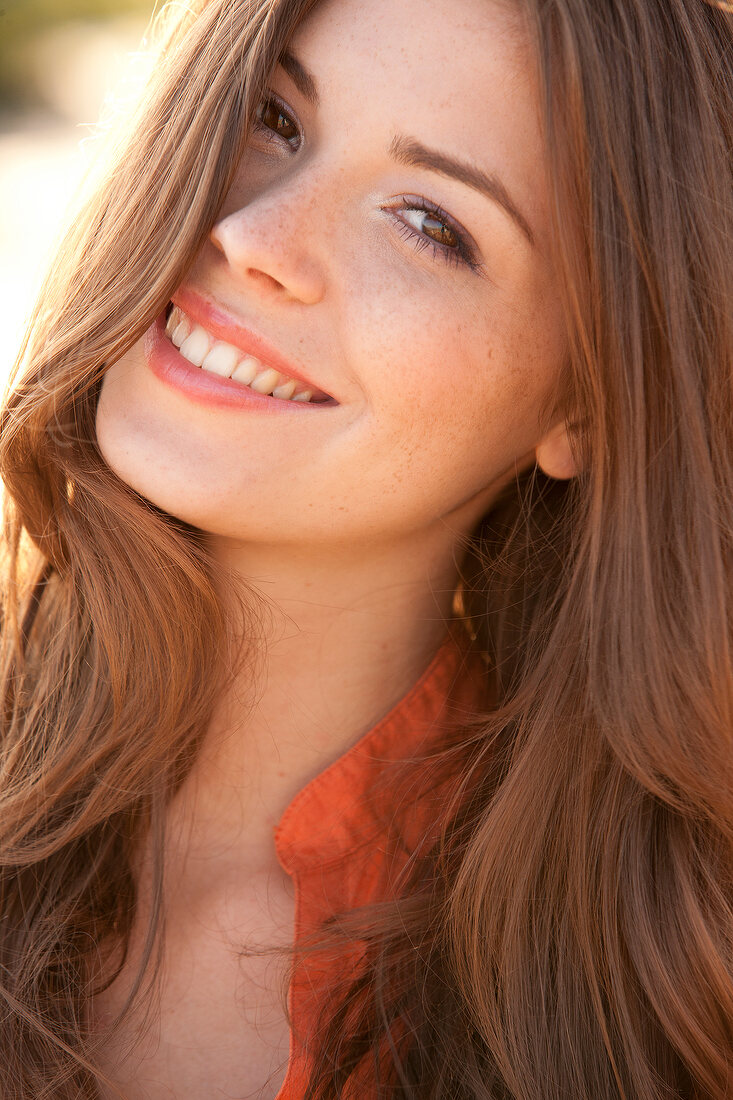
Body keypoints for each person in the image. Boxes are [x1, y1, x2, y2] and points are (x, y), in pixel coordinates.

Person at [1, 0, 731, 1095]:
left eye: (430, 223)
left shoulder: (652, 1004)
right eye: (272, 119)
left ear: (586, 402)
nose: (252, 240)